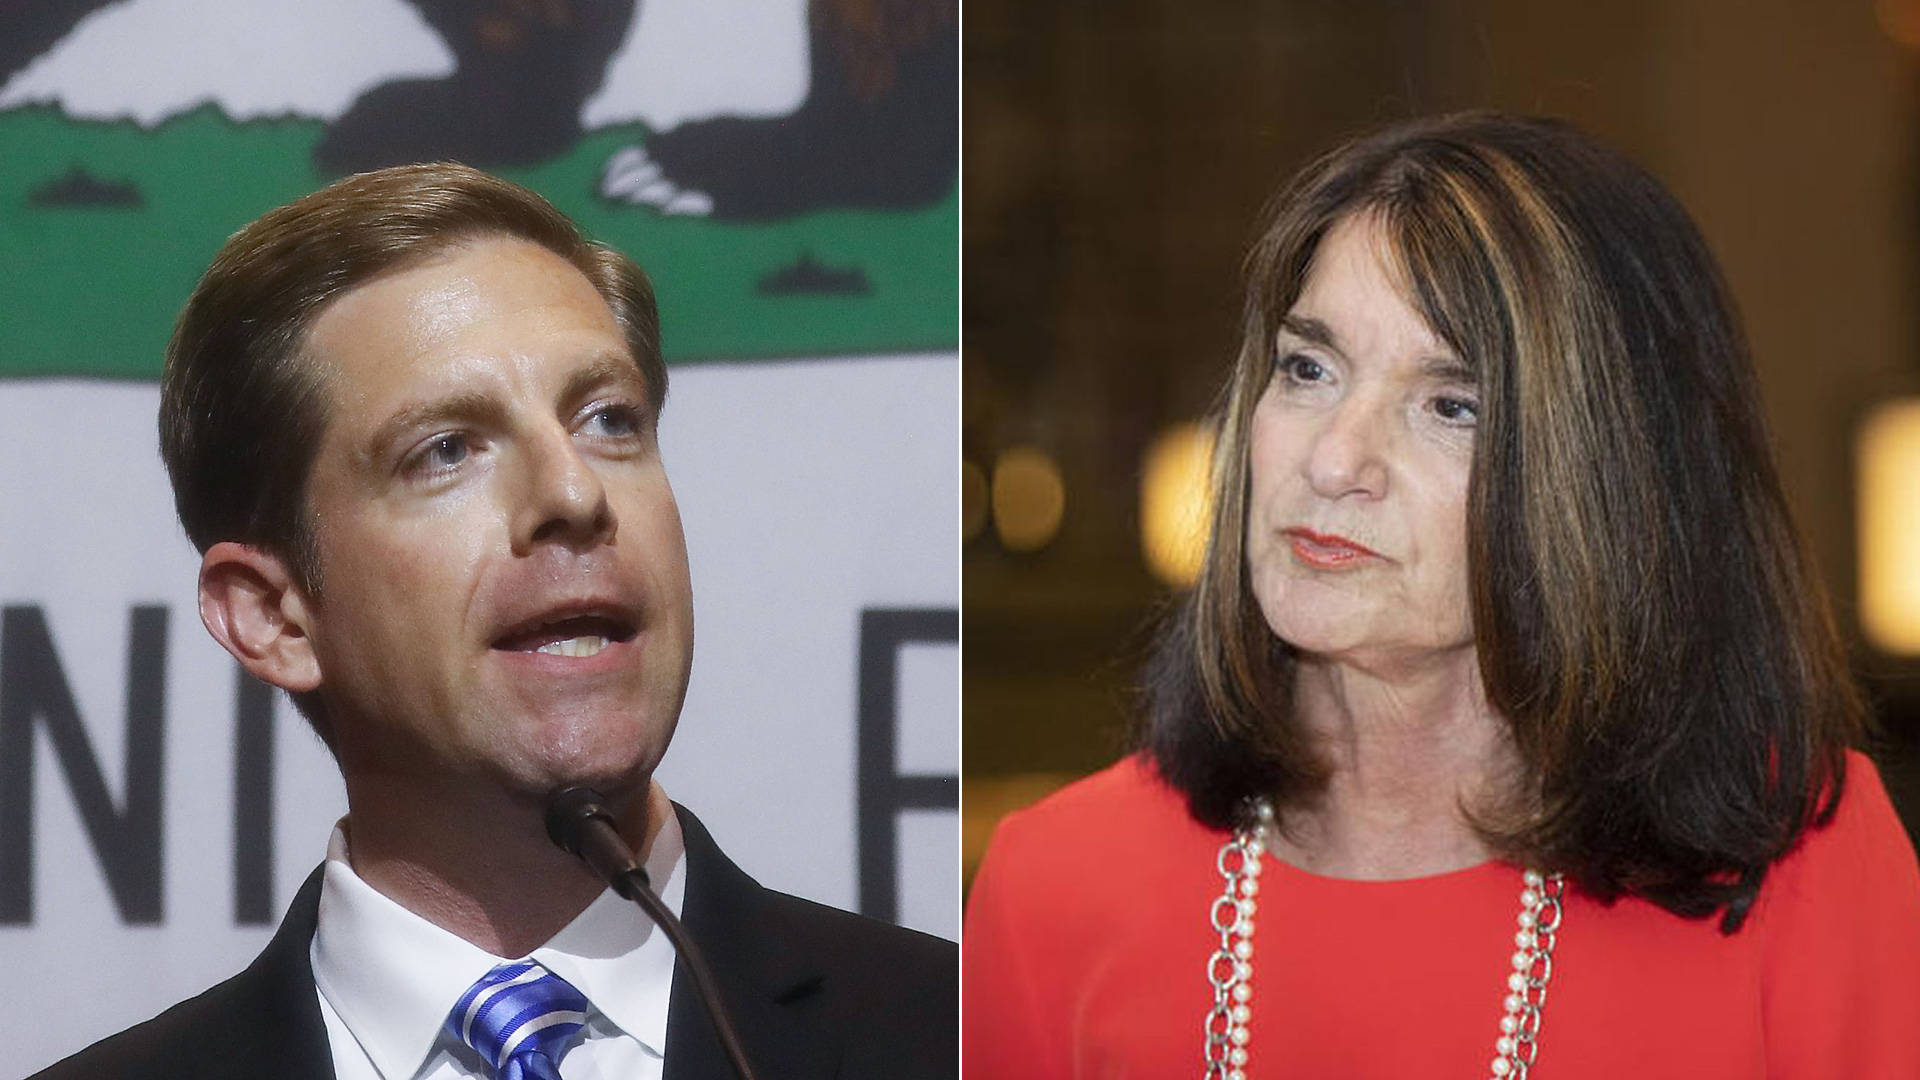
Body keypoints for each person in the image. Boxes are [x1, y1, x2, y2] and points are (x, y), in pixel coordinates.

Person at [963, 112, 1920, 1078]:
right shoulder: (1056, 883)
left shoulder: (1805, 861)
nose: (1334, 459)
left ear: (1616, 477)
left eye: (1450, 406)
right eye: (1308, 368)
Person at [33, 163, 954, 1079]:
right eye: (446, 449)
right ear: (275, 617)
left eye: (608, 418)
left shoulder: (950, 1034)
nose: (573, 491)